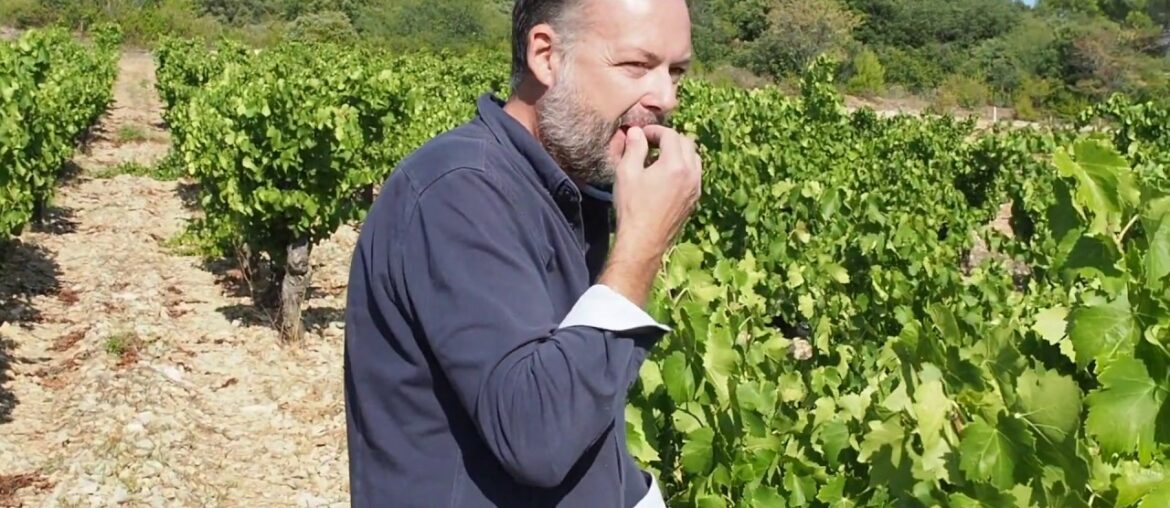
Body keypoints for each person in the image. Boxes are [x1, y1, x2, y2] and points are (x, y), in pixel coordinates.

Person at [342, 0, 701, 506]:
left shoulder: (573, 194)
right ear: (546, 56)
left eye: (676, 71)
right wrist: (642, 245)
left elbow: (586, 416)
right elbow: (539, 436)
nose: (666, 97)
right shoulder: (459, 192)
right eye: (636, 65)